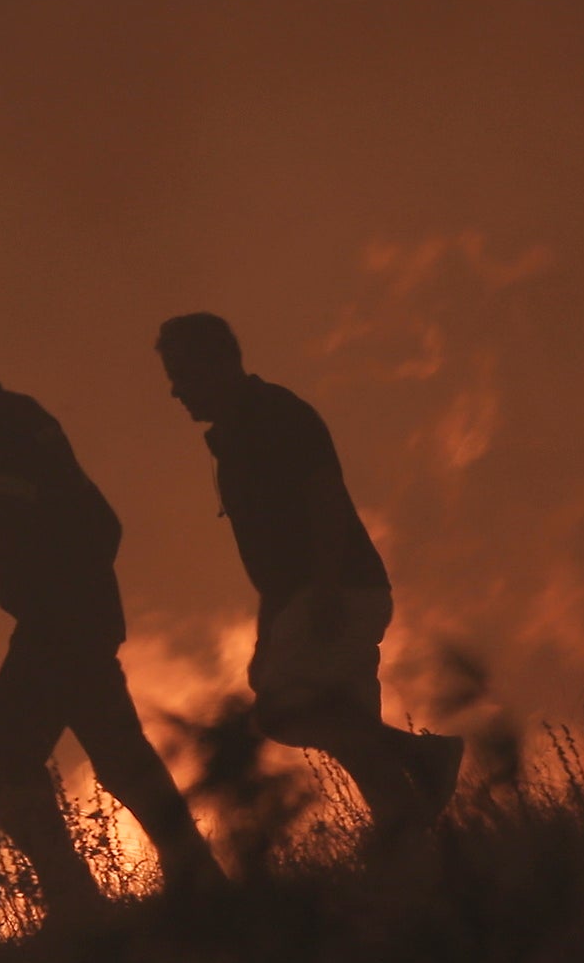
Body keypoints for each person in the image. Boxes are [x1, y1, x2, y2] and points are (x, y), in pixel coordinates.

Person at [0, 317, 223, 914]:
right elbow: (77, 523)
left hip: (60, 622)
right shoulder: (9, 423)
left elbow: (17, 525)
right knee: (121, 757)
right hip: (76, 615)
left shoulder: (1, 429)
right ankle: (198, 877)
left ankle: (77, 902)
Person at [154, 312, 460, 836]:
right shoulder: (233, 439)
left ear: (221, 363)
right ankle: (408, 831)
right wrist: (265, 638)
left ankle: (419, 773)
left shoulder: (276, 415)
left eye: (185, 374)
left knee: (286, 713)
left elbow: (325, 499)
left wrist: (324, 588)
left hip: (338, 591)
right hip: (315, 596)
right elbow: (269, 565)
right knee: (347, 728)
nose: (177, 391)